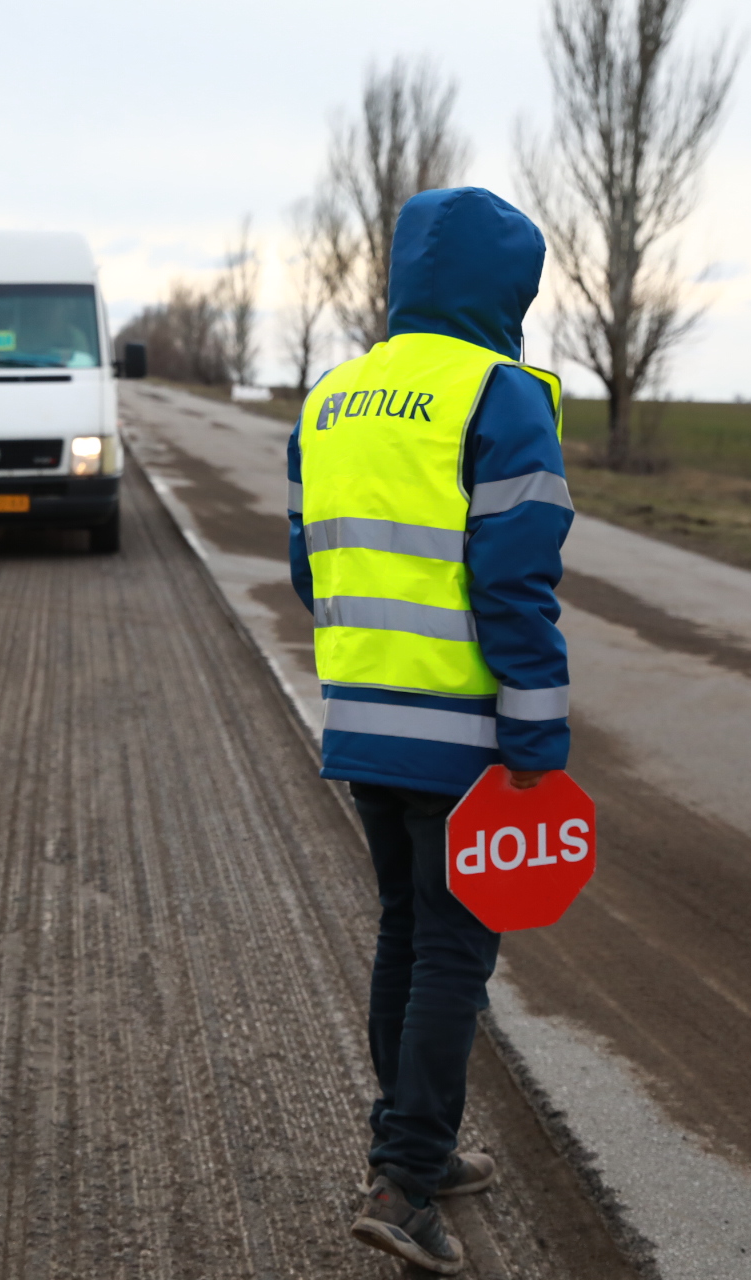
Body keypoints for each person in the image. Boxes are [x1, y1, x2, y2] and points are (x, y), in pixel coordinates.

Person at [286, 186, 572, 1274]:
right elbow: (517, 589)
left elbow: (313, 566)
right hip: (466, 736)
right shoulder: (500, 397)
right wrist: (538, 739)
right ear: (508, 288)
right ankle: (405, 1182)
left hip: (364, 723)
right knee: (455, 953)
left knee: (406, 934)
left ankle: (414, 1149)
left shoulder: (332, 400)